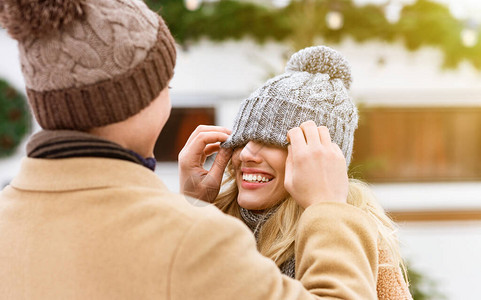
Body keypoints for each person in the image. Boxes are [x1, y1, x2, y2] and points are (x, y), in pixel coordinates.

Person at [0, 1, 378, 299]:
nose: (248, 153)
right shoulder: (197, 241)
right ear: (143, 101)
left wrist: (192, 208)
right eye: (166, 85)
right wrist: (330, 209)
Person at [180, 46, 413, 299]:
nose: (246, 154)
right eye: (243, 139)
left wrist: (327, 207)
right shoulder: (216, 228)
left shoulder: (356, 245)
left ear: (320, 159)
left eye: (271, 142)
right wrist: (193, 209)